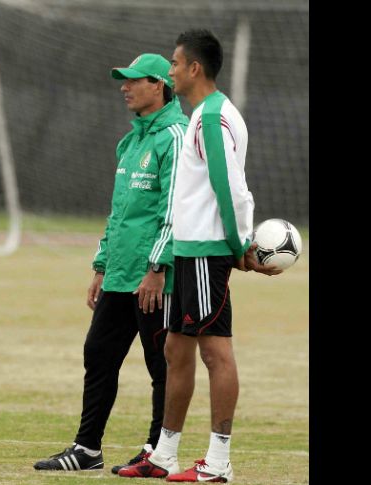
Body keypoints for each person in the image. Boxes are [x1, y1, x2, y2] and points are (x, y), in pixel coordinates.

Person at [117, 29, 281, 483]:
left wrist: (237, 245)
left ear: (194, 68)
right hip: (186, 251)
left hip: (208, 251)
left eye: (173, 63)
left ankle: (219, 462)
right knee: (175, 349)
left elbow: (229, 187)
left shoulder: (212, 118)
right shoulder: (202, 115)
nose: (169, 71)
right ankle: (165, 453)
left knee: (215, 354)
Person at [33, 53, 188, 473]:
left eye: (133, 80)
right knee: (98, 353)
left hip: (155, 278)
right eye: (123, 80)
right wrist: (101, 266)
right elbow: (119, 211)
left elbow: (174, 210)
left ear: (158, 85)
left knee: (162, 365)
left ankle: (159, 452)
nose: (124, 87)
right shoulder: (130, 140)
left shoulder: (175, 135)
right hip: (120, 274)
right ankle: (87, 450)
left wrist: (157, 269)